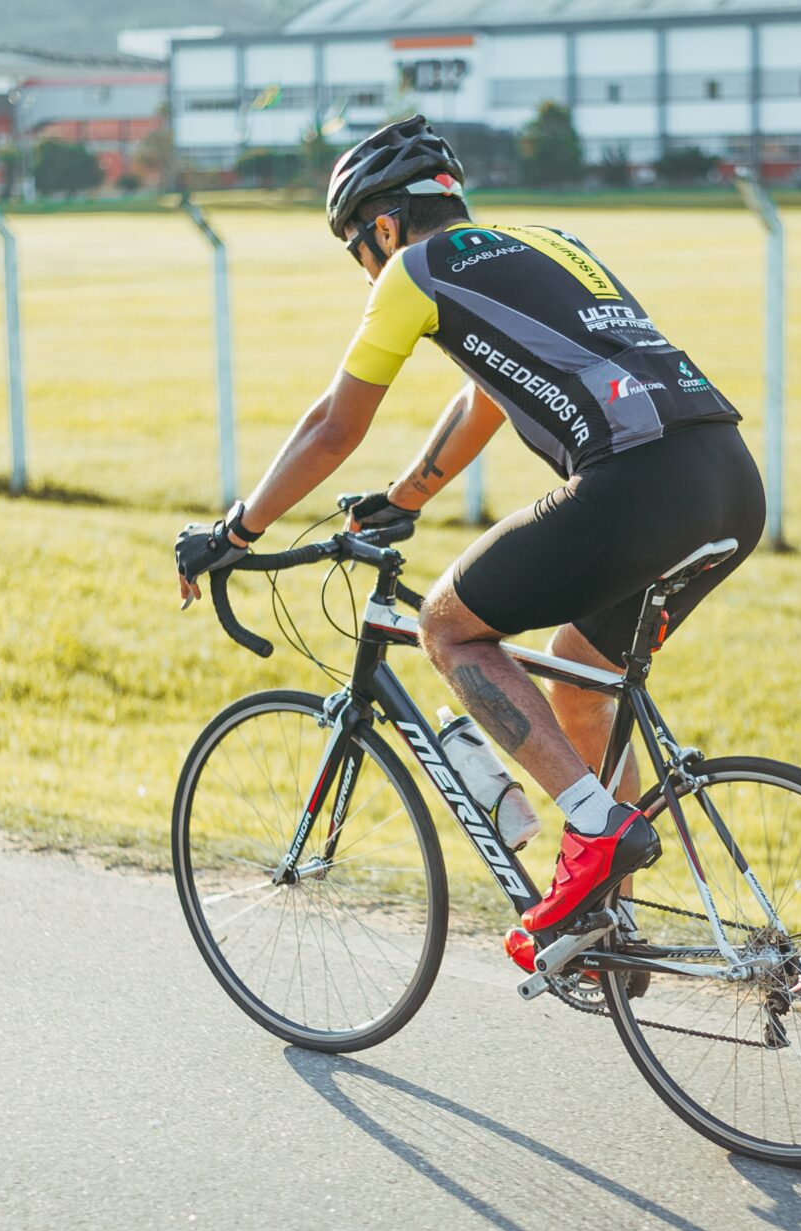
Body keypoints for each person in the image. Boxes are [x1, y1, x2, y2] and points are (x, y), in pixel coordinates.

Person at [174, 115, 765, 972]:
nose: (365, 271)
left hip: (634, 484)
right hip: (727, 479)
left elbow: (334, 425)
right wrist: (407, 496)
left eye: (358, 250)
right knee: (581, 678)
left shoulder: (412, 270)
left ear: (382, 226)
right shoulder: (548, 243)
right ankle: (608, 928)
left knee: (448, 628)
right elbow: (488, 395)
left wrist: (236, 530)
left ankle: (596, 835)